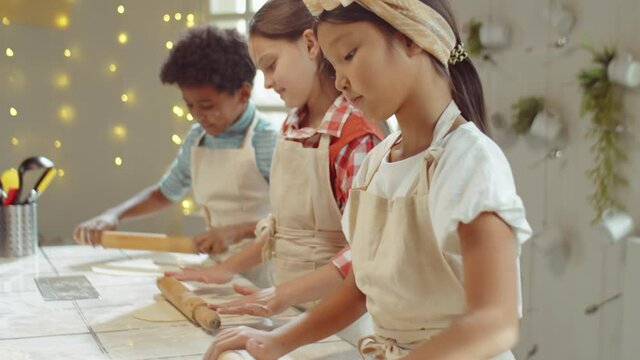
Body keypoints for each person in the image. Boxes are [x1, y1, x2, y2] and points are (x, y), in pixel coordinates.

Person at [201, 1, 533, 359]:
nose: (340, 80)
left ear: (411, 38)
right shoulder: (377, 164)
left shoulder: (468, 161)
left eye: (349, 54)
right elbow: (362, 286)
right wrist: (279, 340)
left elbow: (495, 322)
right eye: (333, 64)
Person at [167, 0, 383, 318]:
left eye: (271, 65)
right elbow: (284, 230)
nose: (266, 83)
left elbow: (366, 253)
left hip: (339, 321)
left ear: (310, 44)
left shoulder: (356, 137)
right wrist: (225, 270)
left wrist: (280, 296)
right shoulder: (292, 125)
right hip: (290, 310)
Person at [73, 25, 278, 263]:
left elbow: (291, 221)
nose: (197, 115)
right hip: (219, 263)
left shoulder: (267, 140)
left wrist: (235, 232)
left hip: (264, 268)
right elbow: (165, 193)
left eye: (207, 106)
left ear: (243, 93)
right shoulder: (197, 138)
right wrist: (114, 215)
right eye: (189, 105)